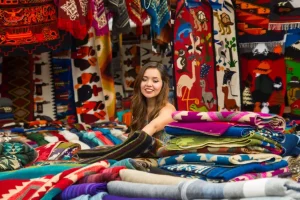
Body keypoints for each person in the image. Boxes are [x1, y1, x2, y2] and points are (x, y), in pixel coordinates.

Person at [130, 61, 176, 142]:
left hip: (165, 154)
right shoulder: (138, 108)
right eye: (144, 80)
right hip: (144, 153)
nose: (148, 84)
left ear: (163, 85)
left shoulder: (168, 110)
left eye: (155, 81)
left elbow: (153, 127)